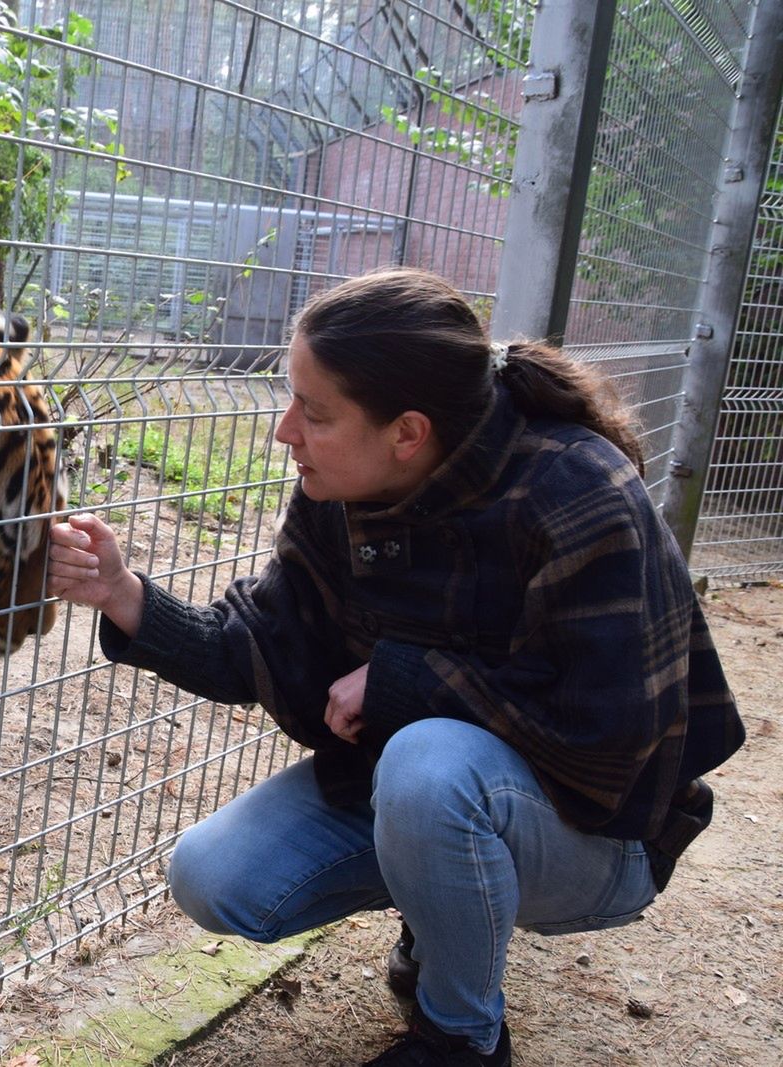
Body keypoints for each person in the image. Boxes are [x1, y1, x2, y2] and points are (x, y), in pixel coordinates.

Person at [47, 268, 746, 1067]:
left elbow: (608, 746)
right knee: (215, 875)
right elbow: (264, 646)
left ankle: (461, 1036)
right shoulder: (341, 489)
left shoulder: (577, 488)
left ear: (407, 431)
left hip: (603, 838)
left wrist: (405, 679)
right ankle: (443, 899)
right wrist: (125, 595)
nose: (285, 432)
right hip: (432, 797)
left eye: (314, 412)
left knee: (427, 763)